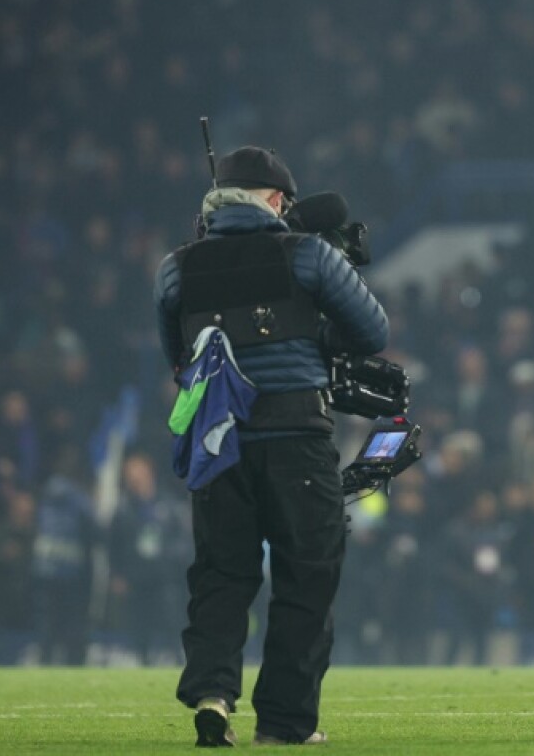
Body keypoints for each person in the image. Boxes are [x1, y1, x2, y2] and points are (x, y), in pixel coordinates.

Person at [154, 146, 389, 746]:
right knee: (305, 576)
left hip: (217, 442)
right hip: (296, 438)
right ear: (279, 200)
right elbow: (372, 331)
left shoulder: (176, 268)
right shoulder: (308, 254)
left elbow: (177, 354)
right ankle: (283, 723)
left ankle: (212, 692)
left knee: (221, 574)